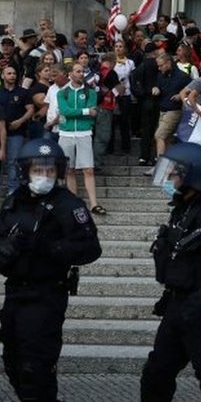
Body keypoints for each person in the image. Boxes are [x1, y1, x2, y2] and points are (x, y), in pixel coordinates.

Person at [0, 139, 101, 401]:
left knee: (35, 365)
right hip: (15, 291)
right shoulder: (15, 201)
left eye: (49, 171)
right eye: (38, 170)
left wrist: (48, 247)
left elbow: (90, 248)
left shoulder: (69, 205)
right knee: (11, 359)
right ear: (26, 171)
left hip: (46, 294)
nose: (44, 176)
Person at [141, 142, 201, 401]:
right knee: (156, 375)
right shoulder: (182, 208)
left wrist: (193, 309)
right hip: (178, 304)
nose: (168, 178)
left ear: (191, 176)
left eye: (173, 173)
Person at [57, 63, 105, 215]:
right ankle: (74, 203)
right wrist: (85, 111)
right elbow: (65, 111)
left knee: (88, 169)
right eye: (77, 71)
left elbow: (94, 112)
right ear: (70, 74)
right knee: (69, 169)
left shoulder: (90, 92)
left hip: (84, 133)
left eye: (82, 71)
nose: (81, 74)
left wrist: (81, 113)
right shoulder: (62, 93)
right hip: (66, 133)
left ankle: (94, 204)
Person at [0, 66, 33, 193]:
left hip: (17, 133)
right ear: (3, 76)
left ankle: (12, 191)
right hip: (0, 132)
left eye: (14, 73)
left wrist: (20, 121)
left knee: (14, 162)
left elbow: (30, 109)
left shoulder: (23, 92)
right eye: (9, 73)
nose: (12, 75)